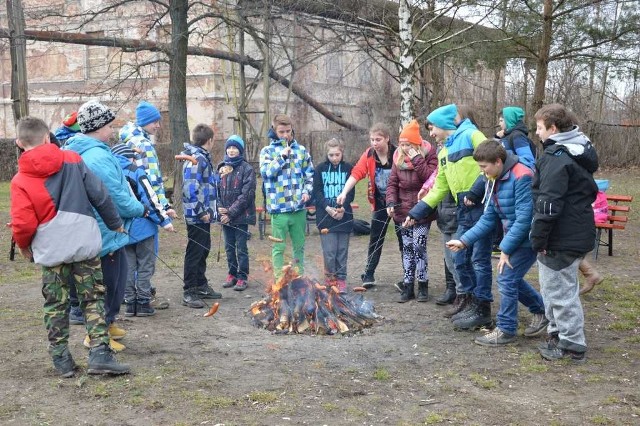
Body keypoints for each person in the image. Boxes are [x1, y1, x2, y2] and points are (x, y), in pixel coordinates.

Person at [10, 117, 129, 377]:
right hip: (84, 241)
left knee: (56, 304)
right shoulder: (73, 160)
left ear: (19, 143)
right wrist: (115, 223)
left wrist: (23, 245)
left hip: (52, 249)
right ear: (46, 137)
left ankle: (61, 360)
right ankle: (99, 354)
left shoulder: (20, 179)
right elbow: (100, 194)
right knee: (93, 298)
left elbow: (22, 221)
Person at [447, 139, 547, 346]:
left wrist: (505, 249)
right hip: (514, 236)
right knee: (512, 279)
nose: (482, 172)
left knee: (506, 279)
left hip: (528, 237)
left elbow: (524, 219)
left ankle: (506, 329)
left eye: (484, 167)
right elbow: (489, 216)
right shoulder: (493, 178)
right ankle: (542, 310)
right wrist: (464, 241)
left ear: (499, 162)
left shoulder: (522, 177)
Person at [64, 100, 146, 352]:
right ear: (98, 128)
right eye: (110, 126)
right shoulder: (96, 156)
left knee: (117, 278)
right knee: (110, 284)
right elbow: (114, 196)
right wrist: (139, 209)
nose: (112, 131)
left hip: (107, 230)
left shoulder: (95, 150)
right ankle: (96, 334)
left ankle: (107, 324)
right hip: (104, 231)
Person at [405, 103, 493, 331]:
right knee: (460, 259)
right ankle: (470, 302)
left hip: (482, 206)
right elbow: (439, 188)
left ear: (444, 124)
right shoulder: (444, 152)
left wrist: (476, 190)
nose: (431, 133)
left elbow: (492, 161)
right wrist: (416, 212)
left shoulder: (473, 134)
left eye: (433, 127)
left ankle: (483, 309)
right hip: (462, 209)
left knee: (479, 261)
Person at [531, 103, 599, 363]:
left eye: (539, 128)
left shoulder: (557, 157)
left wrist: (538, 237)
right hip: (575, 231)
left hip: (561, 236)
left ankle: (572, 345)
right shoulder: (578, 151)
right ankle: (557, 333)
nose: (537, 133)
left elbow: (548, 203)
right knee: (552, 289)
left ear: (553, 128)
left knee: (560, 292)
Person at [336, 122, 403, 289]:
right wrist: (344, 192)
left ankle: (407, 276)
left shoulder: (398, 153)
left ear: (387, 138)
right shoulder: (369, 155)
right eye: (372, 139)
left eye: (378, 139)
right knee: (375, 238)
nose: (374, 143)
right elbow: (357, 173)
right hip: (380, 203)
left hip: (399, 203)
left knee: (403, 239)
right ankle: (369, 273)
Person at [110, 143, 174, 317]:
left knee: (129, 267)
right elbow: (150, 197)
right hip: (143, 228)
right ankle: (144, 302)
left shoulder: (110, 172)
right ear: (130, 157)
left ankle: (130, 303)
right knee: (145, 266)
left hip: (122, 229)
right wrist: (164, 220)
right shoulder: (136, 170)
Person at [386, 120, 437, 302]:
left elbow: (429, 178)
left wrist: (416, 158)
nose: (404, 148)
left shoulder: (429, 154)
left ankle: (423, 283)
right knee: (407, 248)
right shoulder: (397, 157)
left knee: (419, 246)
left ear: (416, 144)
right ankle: (408, 285)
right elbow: (392, 183)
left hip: (422, 209)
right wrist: (391, 202)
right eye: (402, 144)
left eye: (408, 144)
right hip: (402, 210)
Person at [259, 114, 314, 279]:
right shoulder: (267, 151)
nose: (285, 135)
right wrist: (282, 157)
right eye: (281, 132)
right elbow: (266, 173)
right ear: (274, 131)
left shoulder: (301, 151)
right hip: (278, 209)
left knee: (299, 246)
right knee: (279, 247)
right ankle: (278, 280)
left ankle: (299, 278)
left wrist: (306, 192)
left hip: (298, 209)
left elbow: (309, 175)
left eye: (288, 131)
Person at [180, 123, 221, 308]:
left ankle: (201, 285)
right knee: (195, 251)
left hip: (204, 215)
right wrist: (202, 211)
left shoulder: (203, 157)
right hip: (197, 215)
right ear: (209, 140)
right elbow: (190, 189)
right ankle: (189, 290)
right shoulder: (197, 159)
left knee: (204, 249)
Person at [312, 138, 355, 293]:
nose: (334, 158)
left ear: (342, 152)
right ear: (327, 154)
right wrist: (328, 208)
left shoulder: (349, 168)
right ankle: (330, 279)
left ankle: (341, 279)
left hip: (344, 216)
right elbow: (316, 192)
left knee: (342, 251)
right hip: (325, 216)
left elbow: (351, 193)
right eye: (331, 155)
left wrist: (342, 207)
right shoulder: (320, 169)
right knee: (330, 252)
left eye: (337, 154)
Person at [217, 135, 257, 292]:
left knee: (241, 247)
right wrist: (220, 209)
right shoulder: (221, 167)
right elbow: (216, 190)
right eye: (229, 147)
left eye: (235, 148)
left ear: (240, 150)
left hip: (241, 216)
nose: (232, 150)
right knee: (228, 246)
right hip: (225, 217)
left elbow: (246, 195)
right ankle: (231, 274)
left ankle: (242, 276)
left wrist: (230, 213)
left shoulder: (247, 169)